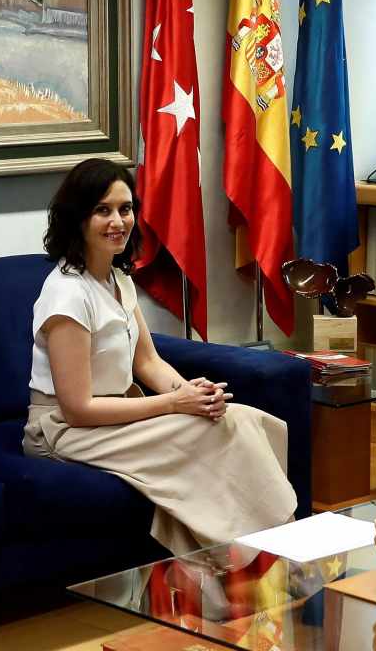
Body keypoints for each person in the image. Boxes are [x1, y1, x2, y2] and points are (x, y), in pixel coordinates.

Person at [22, 159, 297, 554]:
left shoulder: (118, 279)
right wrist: (173, 404)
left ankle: (250, 551)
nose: (118, 220)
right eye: (103, 210)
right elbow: (77, 408)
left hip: (112, 417)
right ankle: (267, 552)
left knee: (245, 419)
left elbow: (147, 362)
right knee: (211, 434)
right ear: (77, 218)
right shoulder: (67, 294)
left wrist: (193, 394)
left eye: (125, 208)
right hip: (63, 431)